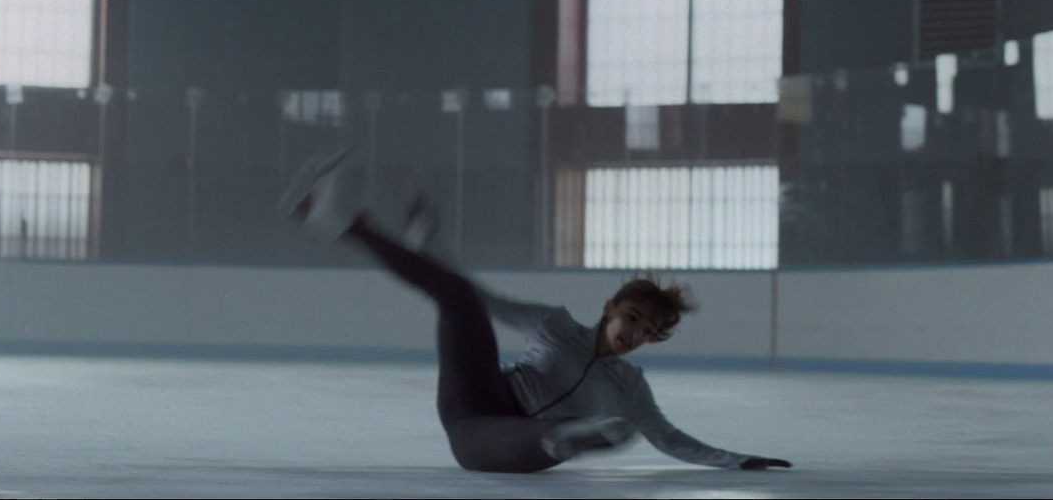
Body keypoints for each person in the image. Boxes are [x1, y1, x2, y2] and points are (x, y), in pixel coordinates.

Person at [279, 147, 793, 473]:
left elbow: (671, 439)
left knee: (549, 440)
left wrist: (736, 460)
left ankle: (573, 439)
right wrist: (426, 244)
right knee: (456, 298)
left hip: (500, 440)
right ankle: (343, 224)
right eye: (632, 318)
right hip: (477, 398)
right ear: (611, 308)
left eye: (648, 331)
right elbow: (478, 298)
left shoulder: (631, 389)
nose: (634, 333)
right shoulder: (553, 325)